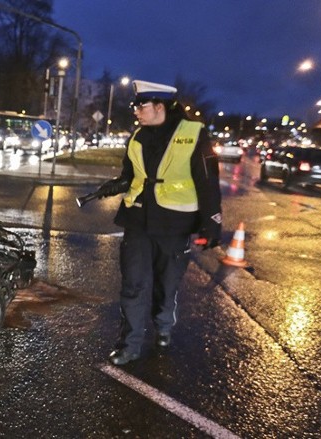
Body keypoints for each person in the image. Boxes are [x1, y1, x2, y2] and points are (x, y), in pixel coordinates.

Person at [92, 80, 223, 366]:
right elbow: (130, 175)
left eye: (141, 105)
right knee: (133, 284)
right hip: (137, 220)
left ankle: (163, 326)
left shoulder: (194, 133)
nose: (135, 111)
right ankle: (130, 344)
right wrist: (112, 186)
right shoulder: (137, 137)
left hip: (175, 223)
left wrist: (211, 223)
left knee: (166, 284)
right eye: (135, 105)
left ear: (160, 106)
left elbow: (208, 181)